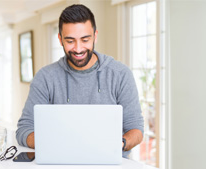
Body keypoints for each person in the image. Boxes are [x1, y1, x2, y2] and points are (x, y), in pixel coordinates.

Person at [16, 4, 144, 158]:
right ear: (60, 39)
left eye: (85, 40)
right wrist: (57, 143)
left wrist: (119, 144)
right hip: (60, 161)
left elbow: (136, 129)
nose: (78, 49)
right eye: (70, 41)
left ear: (95, 36)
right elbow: (25, 129)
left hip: (108, 161)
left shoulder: (120, 74)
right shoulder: (45, 78)